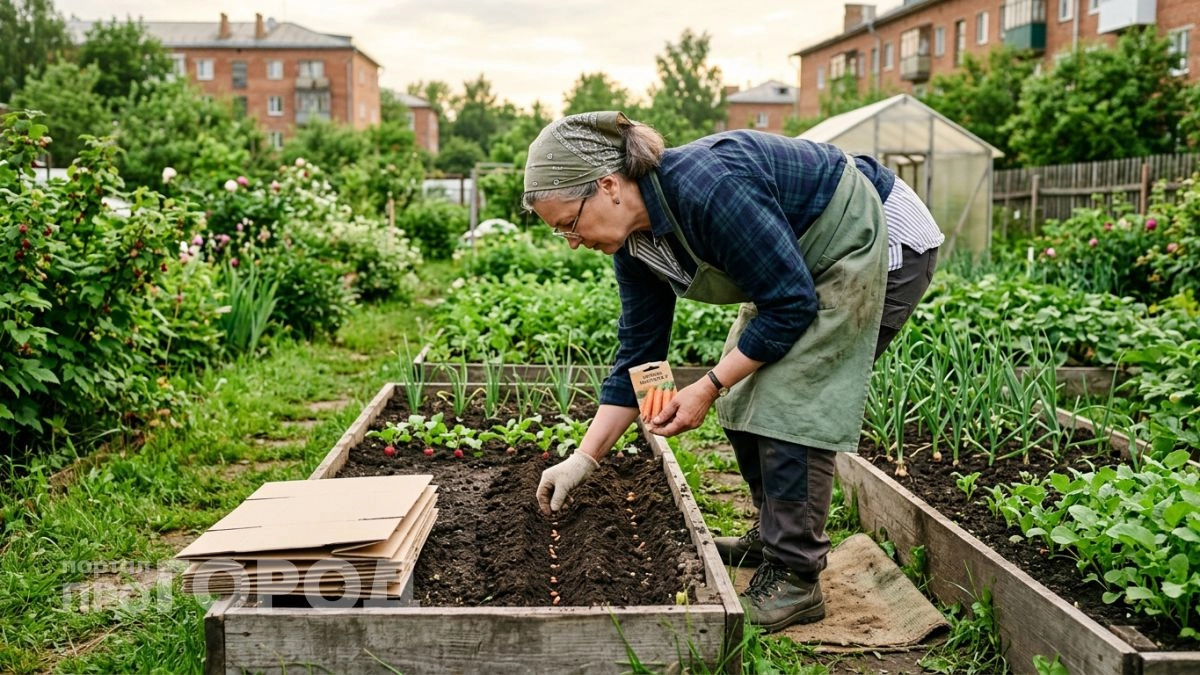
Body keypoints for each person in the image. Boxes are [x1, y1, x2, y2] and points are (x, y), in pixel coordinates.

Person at [523, 111, 941, 633]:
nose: (571, 239)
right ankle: (774, 537)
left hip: (879, 238)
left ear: (608, 186)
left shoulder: (707, 188)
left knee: (791, 397)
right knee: (743, 396)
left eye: (568, 223)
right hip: (801, 264)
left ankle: (796, 577)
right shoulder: (635, 243)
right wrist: (582, 461)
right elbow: (639, 352)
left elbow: (789, 305)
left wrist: (707, 384)